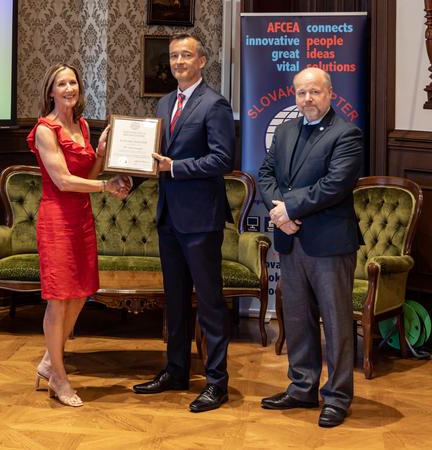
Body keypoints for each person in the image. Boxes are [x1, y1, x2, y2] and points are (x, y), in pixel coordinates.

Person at [132, 33, 235, 413]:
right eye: (174, 56)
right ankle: (175, 371)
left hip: (201, 220)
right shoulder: (163, 102)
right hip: (169, 219)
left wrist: (175, 167)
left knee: (209, 303)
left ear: (202, 61)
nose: (178, 62)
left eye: (186, 55)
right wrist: (128, 176)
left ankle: (216, 382)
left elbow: (223, 160)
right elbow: (154, 157)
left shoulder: (215, 104)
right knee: (174, 301)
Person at [258, 67, 363, 428]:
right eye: (301, 93)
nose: (307, 99)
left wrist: (290, 208)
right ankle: (302, 388)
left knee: (335, 324)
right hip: (291, 239)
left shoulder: (346, 134)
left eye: (315, 92)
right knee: (299, 319)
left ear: (330, 93)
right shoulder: (286, 130)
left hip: (330, 244)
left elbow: (335, 184)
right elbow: (266, 174)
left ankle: (337, 396)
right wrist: (279, 212)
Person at [26, 63, 129, 408]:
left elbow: (88, 171)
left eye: (73, 82)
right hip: (56, 219)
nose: (69, 88)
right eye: (61, 84)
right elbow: (63, 181)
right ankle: (58, 375)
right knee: (59, 298)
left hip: (82, 217)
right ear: (50, 92)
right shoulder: (45, 129)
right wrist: (105, 186)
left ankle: (48, 360)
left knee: (82, 291)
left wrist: (100, 154)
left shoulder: (82, 125)